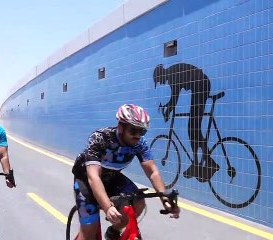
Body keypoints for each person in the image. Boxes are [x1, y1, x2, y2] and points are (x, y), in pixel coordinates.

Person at [72, 104, 180, 240]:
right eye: (134, 131)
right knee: (89, 233)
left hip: (112, 177)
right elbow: (94, 177)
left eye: (142, 131)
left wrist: (165, 198)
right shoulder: (100, 138)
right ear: (121, 127)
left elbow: (153, 172)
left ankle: (113, 232)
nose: (138, 136)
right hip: (86, 180)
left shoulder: (140, 143)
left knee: (138, 202)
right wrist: (107, 207)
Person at [153, 63, 219, 182]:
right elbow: (173, 99)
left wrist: (168, 111)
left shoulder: (172, 75)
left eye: (158, 80)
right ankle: (201, 162)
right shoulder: (172, 73)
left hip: (201, 85)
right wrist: (169, 107)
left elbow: (174, 99)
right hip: (200, 85)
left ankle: (203, 163)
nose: (160, 83)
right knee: (194, 129)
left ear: (161, 75)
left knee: (193, 128)